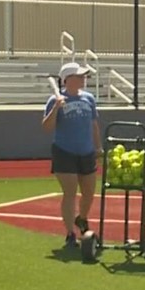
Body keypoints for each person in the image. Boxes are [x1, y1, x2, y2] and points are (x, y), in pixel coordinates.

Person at [42, 61, 102, 248]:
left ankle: (82, 219)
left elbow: (93, 125)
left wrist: (98, 147)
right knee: (70, 193)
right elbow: (46, 127)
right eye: (79, 76)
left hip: (86, 152)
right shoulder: (55, 100)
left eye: (84, 76)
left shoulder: (89, 99)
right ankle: (70, 233)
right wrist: (56, 108)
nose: (83, 79)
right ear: (68, 79)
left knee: (89, 193)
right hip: (64, 151)